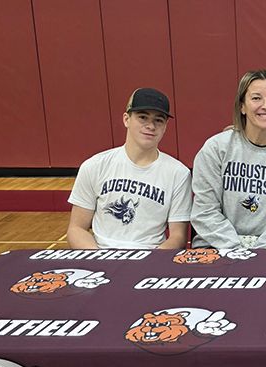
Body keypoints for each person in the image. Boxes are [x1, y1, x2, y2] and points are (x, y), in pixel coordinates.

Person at [190, 70, 266, 249]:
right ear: (242, 107)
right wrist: (236, 248)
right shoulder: (216, 149)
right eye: (256, 98)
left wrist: (260, 250)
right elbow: (205, 211)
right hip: (216, 248)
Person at [67, 88, 192, 249]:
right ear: (126, 119)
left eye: (158, 120)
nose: (151, 126)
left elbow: (178, 236)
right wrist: (100, 259)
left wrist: (148, 264)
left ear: (165, 126)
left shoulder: (178, 173)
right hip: (100, 255)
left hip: (151, 258)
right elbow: (76, 228)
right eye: (142, 117)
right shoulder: (94, 166)